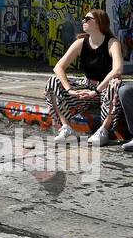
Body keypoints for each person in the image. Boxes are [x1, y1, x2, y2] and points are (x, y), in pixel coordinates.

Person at [45, 8, 125, 145]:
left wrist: (95, 91)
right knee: (53, 81)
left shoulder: (112, 43)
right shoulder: (81, 42)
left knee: (115, 82)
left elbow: (118, 69)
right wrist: (70, 89)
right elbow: (58, 67)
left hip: (104, 89)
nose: (83, 21)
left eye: (88, 19)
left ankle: (104, 130)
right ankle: (66, 128)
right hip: (86, 87)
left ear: (99, 22)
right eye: (83, 18)